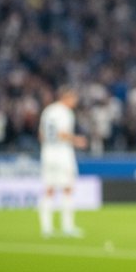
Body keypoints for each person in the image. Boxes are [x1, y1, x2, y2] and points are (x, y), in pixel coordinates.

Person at [39, 86, 87, 238]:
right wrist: (77, 140)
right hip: (62, 153)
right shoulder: (65, 112)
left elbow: (41, 135)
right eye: (74, 98)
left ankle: (46, 228)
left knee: (49, 189)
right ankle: (67, 227)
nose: (75, 102)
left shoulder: (48, 111)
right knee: (67, 189)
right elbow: (62, 133)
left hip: (47, 152)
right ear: (66, 97)